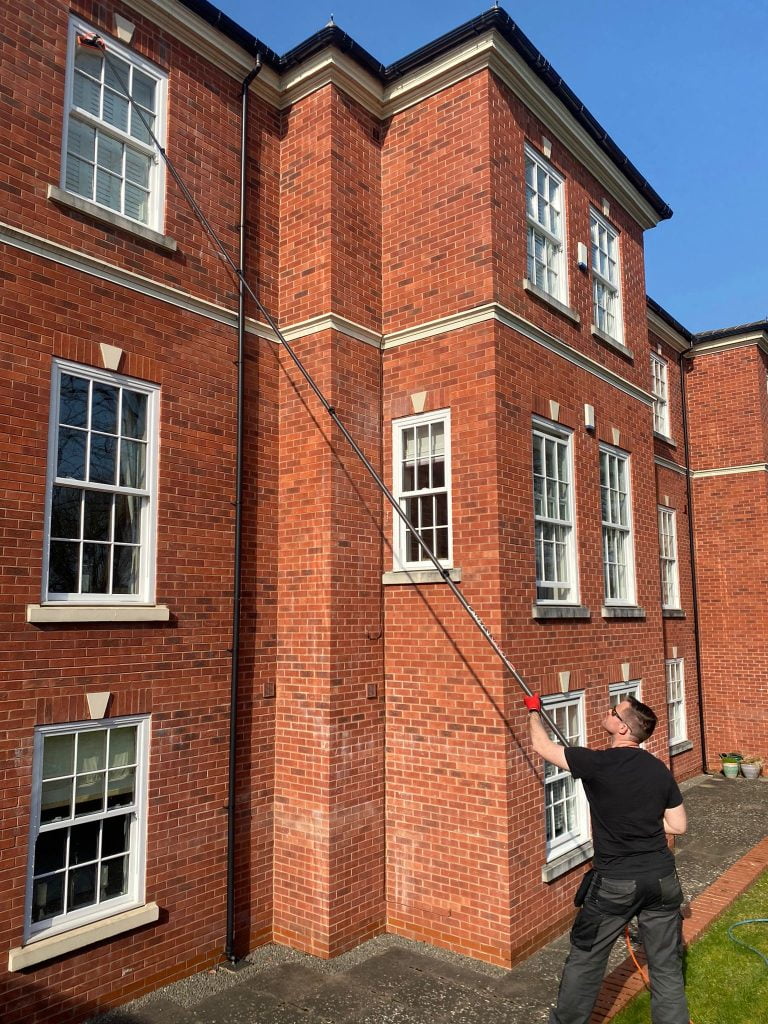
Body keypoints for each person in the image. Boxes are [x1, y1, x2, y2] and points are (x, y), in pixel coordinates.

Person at [525, 692, 690, 1024]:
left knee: (585, 961)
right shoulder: (659, 770)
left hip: (617, 884)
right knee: (666, 965)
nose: (607, 712)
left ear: (624, 729)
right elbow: (678, 825)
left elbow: (543, 748)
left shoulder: (597, 763)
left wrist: (533, 711)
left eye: (614, 712)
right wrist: (642, 816)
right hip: (662, 881)